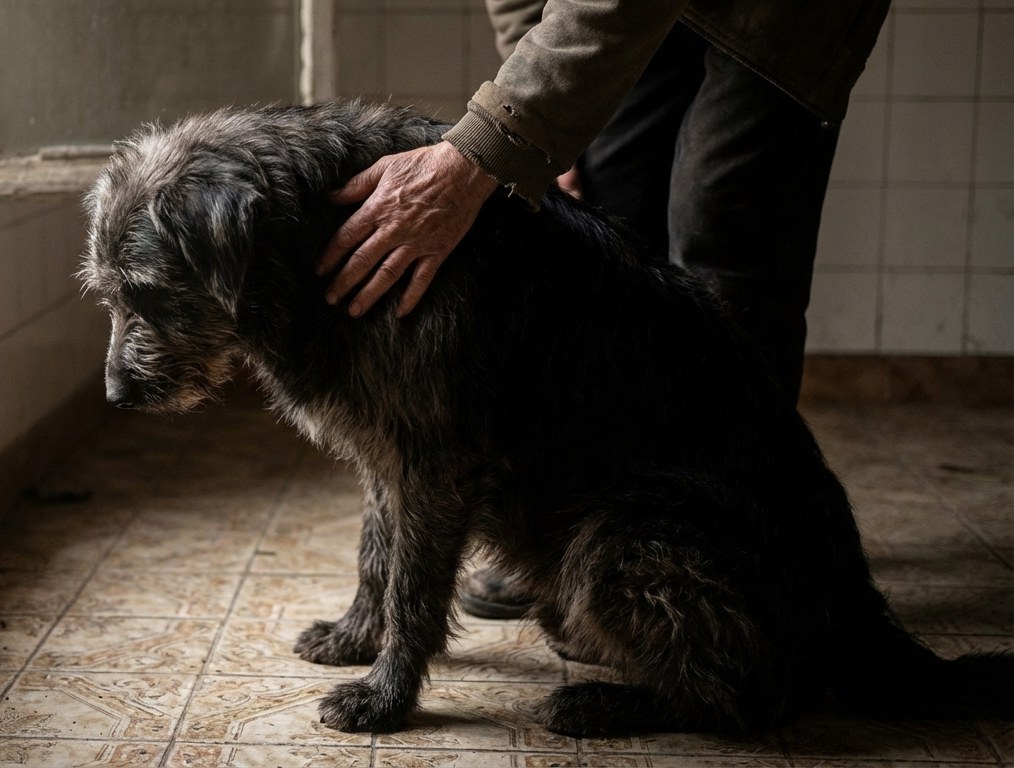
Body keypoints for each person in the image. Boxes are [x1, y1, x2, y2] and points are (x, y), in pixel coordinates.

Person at [314, 0, 891, 619]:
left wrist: (497, 140)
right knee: (612, 213)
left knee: (722, 234)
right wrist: (538, 131)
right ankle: (588, 543)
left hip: (780, 19)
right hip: (622, 11)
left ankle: (748, 572)